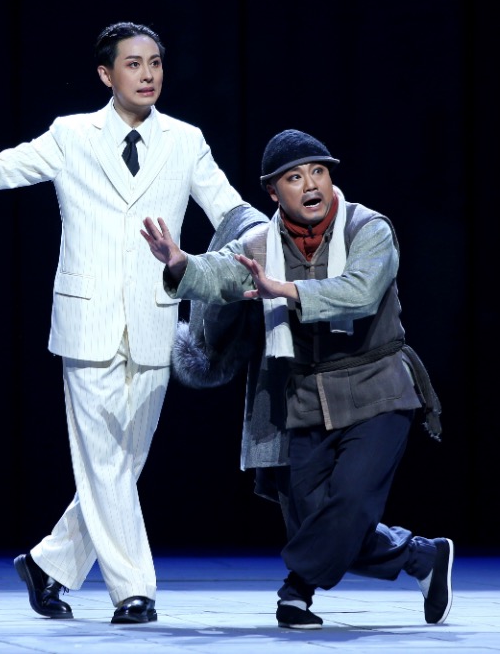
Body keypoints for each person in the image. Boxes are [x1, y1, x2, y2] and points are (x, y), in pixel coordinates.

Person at [0, 21, 250, 624]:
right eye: (134, 64)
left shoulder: (185, 140)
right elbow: (8, 167)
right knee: (105, 459)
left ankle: (48, 564)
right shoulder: (72, 134)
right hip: (88, 318)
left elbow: (227, 206)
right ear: (107, 74)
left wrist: (266, 236)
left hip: (155, 318)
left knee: (122, 464)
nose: (148, 74)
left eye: (155, 63)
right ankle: (134, 590)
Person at [140, 128, 454, 630]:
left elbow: (360, 292)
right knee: (314, 521)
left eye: (318, 172)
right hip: (306, 396)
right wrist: (181, 265)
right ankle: (422, 557)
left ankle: (295, 589)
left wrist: (283, 290)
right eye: (295, 177)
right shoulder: (261, 244)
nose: (311, 184)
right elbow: (222, 272)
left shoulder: (368, 228)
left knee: (349, 504)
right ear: (273, 191)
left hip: (377, 387)